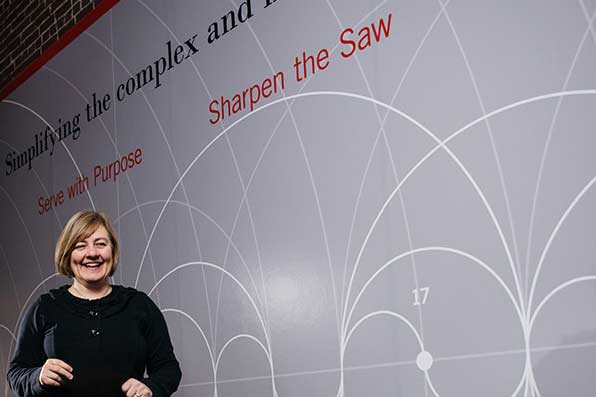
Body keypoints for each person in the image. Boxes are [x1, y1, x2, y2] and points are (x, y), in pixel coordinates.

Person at [7, 211, 182, 397]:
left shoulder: (139, 305)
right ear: (67, 254)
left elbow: (168, 369)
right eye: (80, 246)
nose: (92, 253)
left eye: (100, 244)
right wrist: (38, 376)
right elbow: (16, 374)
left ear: (112, 251)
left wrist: (151, 386)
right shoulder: (45, 307)